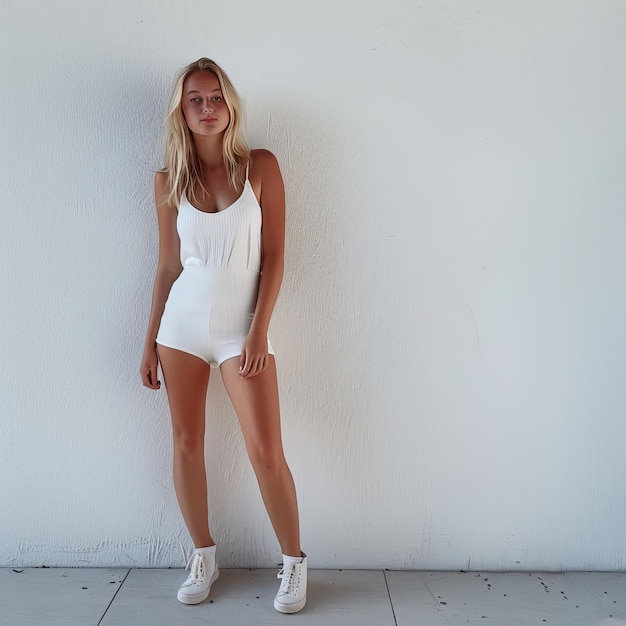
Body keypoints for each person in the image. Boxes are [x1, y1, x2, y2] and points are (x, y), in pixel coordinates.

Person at [140, 58, 306, 614]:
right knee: (187, 444)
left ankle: (294, 562)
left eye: (216, 97)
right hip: (181, 329)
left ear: (230, 104)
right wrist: (148, 342)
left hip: (244, 333)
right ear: (182, 111)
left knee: (266, 452)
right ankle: (203, 554)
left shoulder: (261, 166)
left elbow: (276, 258)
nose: (207, 108)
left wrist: (260, 332)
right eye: (195, 100)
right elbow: (167, 267)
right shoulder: (168, 181)